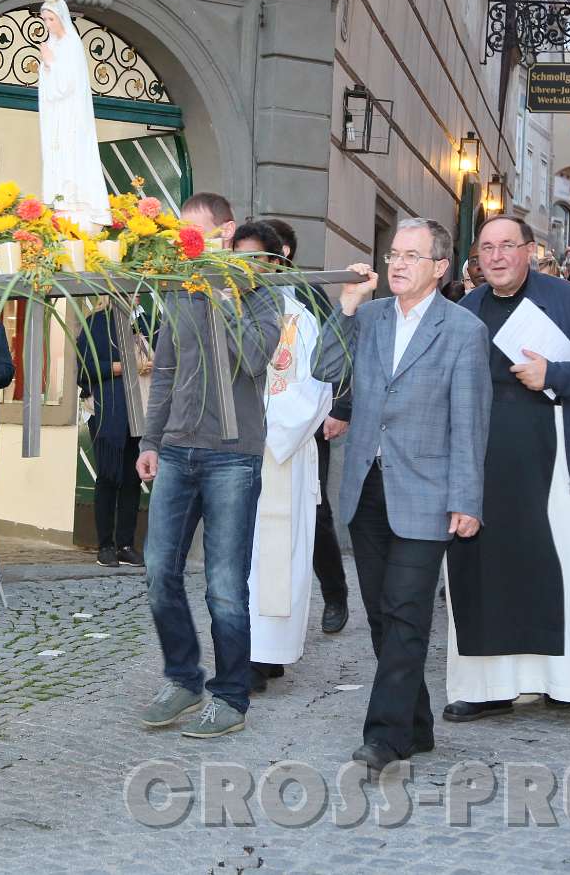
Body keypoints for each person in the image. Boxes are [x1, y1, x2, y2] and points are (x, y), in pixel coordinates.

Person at [312, 217, 490, 770]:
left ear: (439, 267)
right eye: (393, 253)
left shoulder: (462, 330)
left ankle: (385, 737)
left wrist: (467, 499)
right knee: (383, 615)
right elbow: (323, 368)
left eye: (413, 256)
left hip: (428, 491)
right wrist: (344, 305)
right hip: (367, 486)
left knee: (408, 612)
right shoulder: (367, 318)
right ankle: (417, 723)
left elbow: (470, 421)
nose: (398, 264)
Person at [442, 218, 570, 722]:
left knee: (558, 560)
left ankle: (566, 681)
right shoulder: (466, 309)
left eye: (508, 246)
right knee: (484, 570)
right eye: (487, 249)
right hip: (480, 457)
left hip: (552, 450)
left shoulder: (564, 299)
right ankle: (489, 688)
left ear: (529, 251)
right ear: (476, 258)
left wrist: (554, 374)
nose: (497, 257)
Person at [136, 193, 279, 739]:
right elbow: (166, 372)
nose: (188, 246)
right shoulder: (178, 292)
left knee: (224, 582)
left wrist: (222, 293)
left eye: (198, 235)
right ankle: (182, 678)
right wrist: (150, 440)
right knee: (158, 571)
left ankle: (231, 695)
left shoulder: (263, 293)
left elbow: (252, 360)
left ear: (226, 232)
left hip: (232, 456)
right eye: (182, 237)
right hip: (176, 449)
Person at [232, 222, 332, 691]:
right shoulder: (226, 311)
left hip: (278, 453)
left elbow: (313, 389)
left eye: (255, 260)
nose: (246, 270)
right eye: (237, 260)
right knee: (236, 557)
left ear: (277, 263)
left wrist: (266, 433)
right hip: (232, 452)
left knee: (275, 553)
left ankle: (267, 654)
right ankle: (243, 647)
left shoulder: (299, 320)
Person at [260, 217, 352, 634]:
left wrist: (340, 408)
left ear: (285, 253)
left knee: (315, 510)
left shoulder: (308, 293)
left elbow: (337, 351)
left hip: (307, 419)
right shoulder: (247, 293)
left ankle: (334, 594)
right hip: (259, 422)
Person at [75, 300, 149, 567]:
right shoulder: (95, 323)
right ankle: (105, 545)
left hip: (139, 406)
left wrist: (149, 362)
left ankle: (126, 544)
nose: (137, 298)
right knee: (108, 475)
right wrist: (125, 366)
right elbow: (84, 369)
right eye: (132, 292)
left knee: (132, 478)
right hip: (108, 408)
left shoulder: (145, 321)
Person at [37, 0, 112, 227]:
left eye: (50, 19)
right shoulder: (51, 45)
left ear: (60, 18)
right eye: (45, 20)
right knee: (57, 154)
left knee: (72, 153)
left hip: (72, 113)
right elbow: (48, 87)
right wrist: (47, 65)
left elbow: (68, 83)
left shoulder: (72, 43)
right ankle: (63, 198)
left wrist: (50, 63)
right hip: (56, 113)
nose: (47, 24)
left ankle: (76, 198)